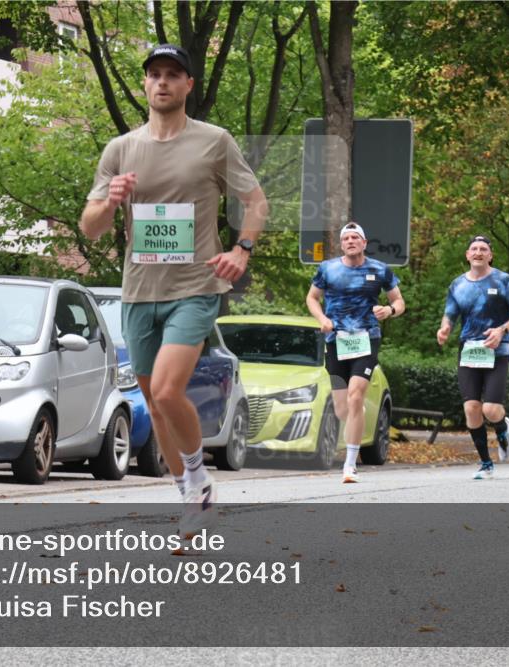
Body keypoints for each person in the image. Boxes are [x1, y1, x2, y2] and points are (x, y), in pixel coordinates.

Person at [79, 44, 268, 536]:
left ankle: (200, 482)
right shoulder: (120, 150)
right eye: (154, 74)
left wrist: (241, 251)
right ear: (145, 84)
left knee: (167, 389)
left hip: (196, 284)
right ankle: (189, 491)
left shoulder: (214, 141)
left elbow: (256, 201)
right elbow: (91, 227)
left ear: (188, 85)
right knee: (152, 397)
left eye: (173, 75)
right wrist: (110, 200)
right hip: (140, 290)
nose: (162, 82)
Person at [306, 222, 405, 483]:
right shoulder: (327, 269)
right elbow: (311, 298)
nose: (350, 241)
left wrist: (389, 311)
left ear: (364, 242)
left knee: (355, 396)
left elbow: (399, 301)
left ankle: (350, 464)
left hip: (366, 338)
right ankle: (350, 449)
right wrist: (322, 318)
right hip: (335, 340)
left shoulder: (379, 269)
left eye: (355, 237)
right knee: (342, 408)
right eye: (346, 238)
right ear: (341, 244)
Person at [436, 235, 509, 480]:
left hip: (497, 351)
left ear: (490, 255)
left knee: (490, 408)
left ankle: (502, 427)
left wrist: (502, 330)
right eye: (474, 249)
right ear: (467, 255)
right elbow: (450, 314)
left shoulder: (503, 280)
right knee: (471, 408)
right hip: (469, 350)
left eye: (483, 249)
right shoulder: (457, 285)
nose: (478, 252)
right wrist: (445, 328)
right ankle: (486, 463)